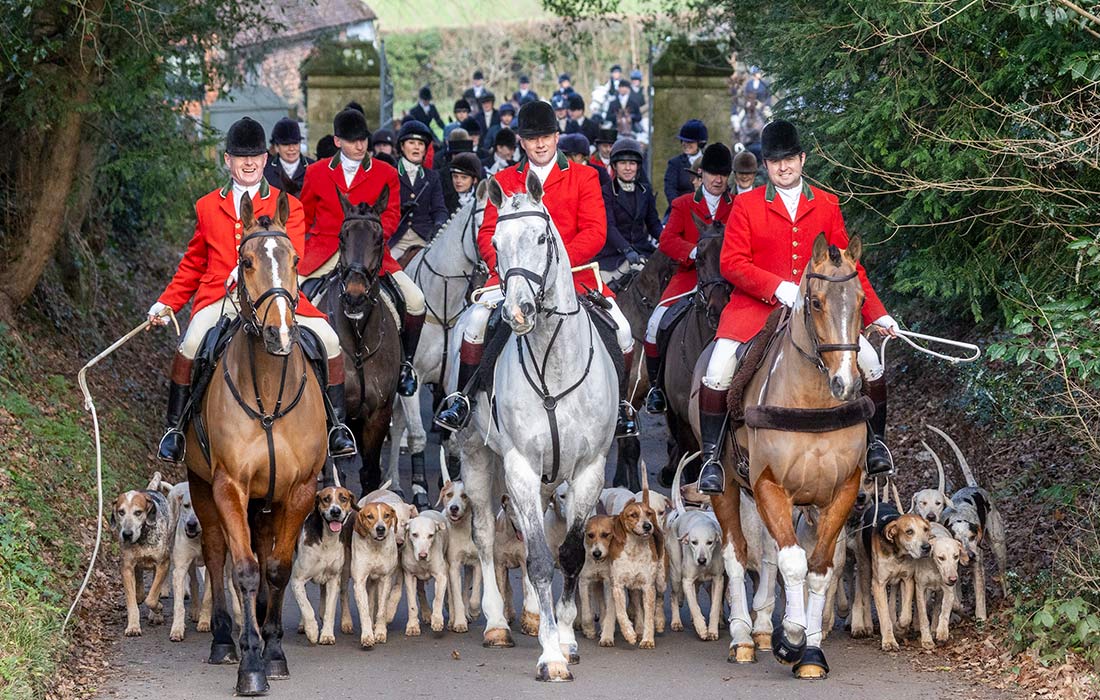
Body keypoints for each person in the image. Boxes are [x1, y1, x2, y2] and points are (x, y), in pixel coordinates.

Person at [694, 120, 898, 494]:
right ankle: (711, 460)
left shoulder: (827, 203)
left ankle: (876, 445)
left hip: (821, 313)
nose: (783, 167)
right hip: (755, 309)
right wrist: (778, 288)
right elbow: (732, 263)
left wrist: (877, 313)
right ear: (765, 167)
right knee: (718, 368)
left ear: (802, 159)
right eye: (774, 162)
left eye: (789, 159)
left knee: (871, 362)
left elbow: (847, 267)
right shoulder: (746, 204)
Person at [148, 117, 355, 463]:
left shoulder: (289, 205)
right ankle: (175, 430)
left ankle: (335, 427)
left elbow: (294, 256)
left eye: (255, 156)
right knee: (191, 342)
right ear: (227, 161)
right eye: (240, 157)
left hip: (275, 297)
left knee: (330, 340)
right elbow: (194, 262)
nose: (249, 163)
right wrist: (166, 303)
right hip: (222, 298)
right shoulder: (207, 206)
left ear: (265, 160)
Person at [434, 100, 638, 438]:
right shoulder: (503, 179)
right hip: (514, 276)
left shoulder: (585, 176)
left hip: (574, 276)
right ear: (521, 142)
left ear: (557, 137)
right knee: (474, 322)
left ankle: (621, 407)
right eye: (532, 138)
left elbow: (595, 231)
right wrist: (506, 264)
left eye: (546, 136)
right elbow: (487, 232)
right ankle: (463, 400)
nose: (540, 144)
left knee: (623, 328)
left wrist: (556, 266)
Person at [298, 107, 427, 397]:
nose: (360, 146)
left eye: (363, 140)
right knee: (286, 298)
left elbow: (392, 214)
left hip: (370, 251)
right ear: (337, 141)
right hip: (324, 251)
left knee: (417, 300)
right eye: (352, 140)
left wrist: (374, 237)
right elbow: (303, 217)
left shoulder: (386, 173)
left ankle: (405, 365)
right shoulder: (317, 173)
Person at [642, 143, 735, 414]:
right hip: (689, 277)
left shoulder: (738, 205)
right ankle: (657, 387)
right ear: (701, 173)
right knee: (655, 322)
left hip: (726, 280)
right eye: (712, 174)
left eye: (723, 174)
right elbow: (667, 239)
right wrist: (694, 251)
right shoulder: (683, 204)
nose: (718, 180)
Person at [596, 138, 661, 283]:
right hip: (614, 255)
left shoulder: (645, 191)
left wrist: (668, 239)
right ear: (614, 165)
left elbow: (653, 224)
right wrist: (626, 249)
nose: (628, 168)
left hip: (642, 251)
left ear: (638, 166)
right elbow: (609, 227)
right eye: (623, 163)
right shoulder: (606, 192)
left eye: (632, 163)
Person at [392, 120, 448, 258]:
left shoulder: (432, 177)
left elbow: (439, 209)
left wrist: (439, 223)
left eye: (421, 144)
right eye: (411, 143)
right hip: (396, 239)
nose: (416, 147)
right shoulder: (391, 173)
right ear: (402, 146)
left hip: (424, 238)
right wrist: (401, 209)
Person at [663, 119, 708, 214]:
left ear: (700, 143)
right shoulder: (674, 163)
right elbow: (670, 190)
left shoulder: (709, 161)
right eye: (683, 141)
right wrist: (682, 208)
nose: (685, 144)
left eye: (690, 142)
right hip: (680, 210)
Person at [263, 117, 313, 193]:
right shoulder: (265, 170)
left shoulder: (313, 167)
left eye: (295, 143)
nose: (291, 149)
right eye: (286, 144)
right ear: (276, 147)